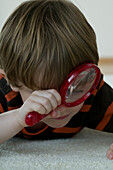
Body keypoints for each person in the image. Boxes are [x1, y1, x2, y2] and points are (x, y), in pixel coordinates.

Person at [0, 0, 113, 160]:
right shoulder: (5, 91)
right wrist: (17, 119)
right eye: (44, 94)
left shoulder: (90, 89)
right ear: (13, 81)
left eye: (74, 89)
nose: (60, 108)